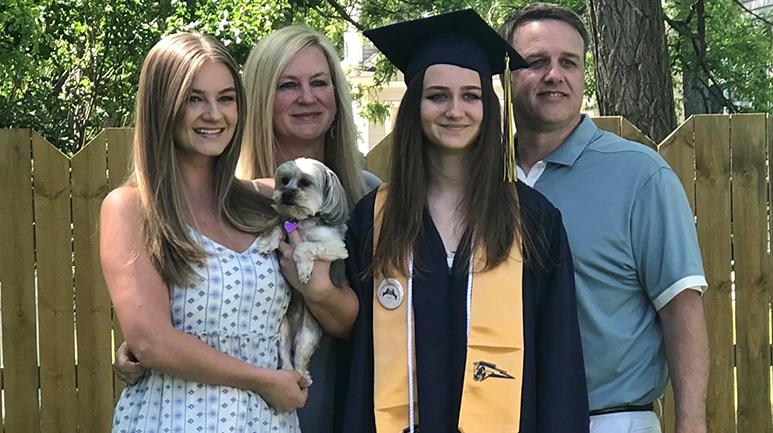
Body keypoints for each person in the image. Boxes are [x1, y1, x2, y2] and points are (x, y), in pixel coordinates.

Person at [114, 26, 378, 433]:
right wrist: (146, 346)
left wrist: (317, 288)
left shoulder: (361, 198)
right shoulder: (256, 201)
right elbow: (156, 330)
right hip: (200, 411)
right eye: (288, 85)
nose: (307, 96)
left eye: (224, 99)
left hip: (331, 397)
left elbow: (387, 314)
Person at [336, 10, 588, 433]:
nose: (455, 110)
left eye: (470, 96)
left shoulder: (532, 219)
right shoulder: (374, 219)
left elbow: (559, 361)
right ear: (415, 106)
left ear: (487, 108)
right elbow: (357, 366)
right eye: (438, 96)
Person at [499, 4, 709, 433]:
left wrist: (691, 425)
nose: (554, 75)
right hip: (501, 417)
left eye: (569, 63)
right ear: (507, 74)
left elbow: (680, 308)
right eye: (536, 62)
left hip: (609, 420)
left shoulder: (639, 175)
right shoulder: (485, 182)